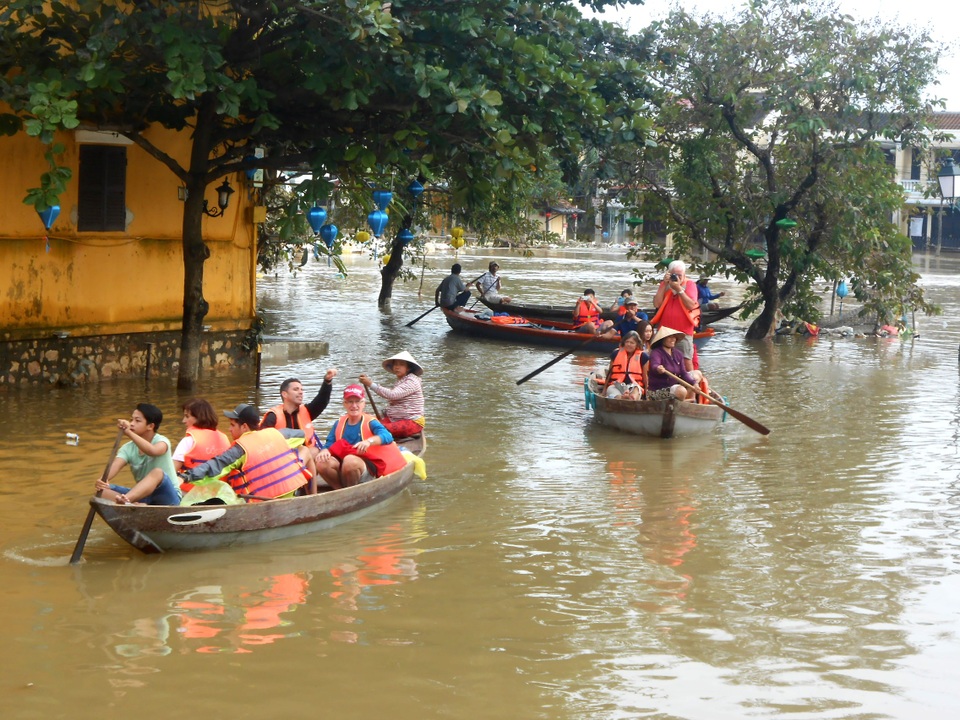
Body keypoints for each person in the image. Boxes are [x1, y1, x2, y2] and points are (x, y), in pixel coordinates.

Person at [185, 404, 315, 498]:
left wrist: (186, 477)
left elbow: (215, 465)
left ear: (244, 427)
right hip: (289, 493)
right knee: (304, 449)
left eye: (232, 425)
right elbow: (302, 434)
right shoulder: (278, 434)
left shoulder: (239, 450)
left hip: (262, 502)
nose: (229, 429)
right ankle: (313, 497)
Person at [316, 385, 409, 490]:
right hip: (344, 466)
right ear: (345, 404)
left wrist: (368, 442)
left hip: (368, 467)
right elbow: (330, 443)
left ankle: (351, 491)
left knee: (350, 460)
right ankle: (339, 491)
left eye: (357, 401)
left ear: (363, 404)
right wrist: (324, 450)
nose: (354, 405)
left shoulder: (371, 422)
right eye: (350, 402)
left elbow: (387, 436)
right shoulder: (339, 423)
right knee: (321, 462)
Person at [95, 403, 181, 505]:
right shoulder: (127, 448)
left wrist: (129, 433)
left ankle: (127, 501)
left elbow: (152, 451)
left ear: (150, 426)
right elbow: (115, 466)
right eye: (131, 420)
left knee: (158, 472)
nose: (131, 423)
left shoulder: (162, 441)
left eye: (137, 421)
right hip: (144, 495)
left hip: (168, 496)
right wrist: (102, 481)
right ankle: (134, 504)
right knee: (103, 491)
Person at [259, 369, 339, 453]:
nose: (301, 392)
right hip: (283, 458)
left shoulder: (307, 411)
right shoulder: (273, 416)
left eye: (301, 390)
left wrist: (327, 382)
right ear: (284, 394)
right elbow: (262, 442)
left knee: (316, 453)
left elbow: (322, 400)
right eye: (296, 389)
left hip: (308, 456)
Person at [358, 351, 425, 439]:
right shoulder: (401, 381)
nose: (397, 367)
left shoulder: (412, 381)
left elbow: (392, 395)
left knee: (378, 429)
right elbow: (395, 403)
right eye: (395, 364)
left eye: (401, 364)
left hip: (412, 422)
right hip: (396, 419)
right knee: (367, 422)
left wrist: (370, 384)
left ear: (408, 368)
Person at [650, 260, 700, 372]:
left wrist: (679, 289)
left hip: (683, 331)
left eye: (679, 275)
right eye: (674, 275)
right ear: (669, 273)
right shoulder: (665, 285)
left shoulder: (690, 284)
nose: (677, 277)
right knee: (659, 357)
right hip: (664, 330)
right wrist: (664, 284)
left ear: (684, 274)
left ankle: (691, 385)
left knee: (686, 359)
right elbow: (657, 304)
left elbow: (691, 305)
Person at [172, 398, 231, 492]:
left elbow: (170, 471)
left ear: (199, 418)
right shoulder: (225, 438)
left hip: (190, 494)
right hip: (218, 493)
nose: (183, 421)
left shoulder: (188, 441)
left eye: (187, 416)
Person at [646, 326, 702, 402]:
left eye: (674, 337)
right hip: (657, 391)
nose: (673, 339)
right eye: (669, 337)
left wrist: (694, 384)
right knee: (681, 391)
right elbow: (654, 365)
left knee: (697, 374)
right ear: (663, 340)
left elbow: (683, 373)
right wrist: (658, 368)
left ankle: (691, 400)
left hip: (674, 386)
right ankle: (683, 401)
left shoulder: (678, 354)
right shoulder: (656, 353)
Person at [602, 330, 647, 400]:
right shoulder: (616, 353)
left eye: (632, 343)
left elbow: (645, 377)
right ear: (624, 342)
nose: (629, 344)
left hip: (634, 386)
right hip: (617, 385)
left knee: (636, 389)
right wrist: (604, 390)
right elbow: (609, 373)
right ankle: (622, 397)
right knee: (611, 390)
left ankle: (632, 398)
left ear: (637, 345)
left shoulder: (643, 356)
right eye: (627, 342)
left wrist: (647, 394)